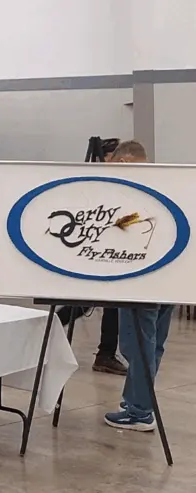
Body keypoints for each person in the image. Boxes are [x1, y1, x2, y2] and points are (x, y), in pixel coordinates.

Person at [103, 140, 172, 432]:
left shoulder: (133, 193)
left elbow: (124, 225)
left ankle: (139, 411)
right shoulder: (167, 186)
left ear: (121, 161)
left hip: (139, 281)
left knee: (138, 347)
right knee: (153, 345)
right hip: (170, 281)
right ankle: (136, 401)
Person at [56, 138, 128, 376]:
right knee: (94, 301)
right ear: (108, 158)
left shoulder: (109, 183)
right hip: (99, 252)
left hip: (110, 251)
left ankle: (104, 353)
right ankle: (104, 353)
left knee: (100, 303)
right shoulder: (99, 183)